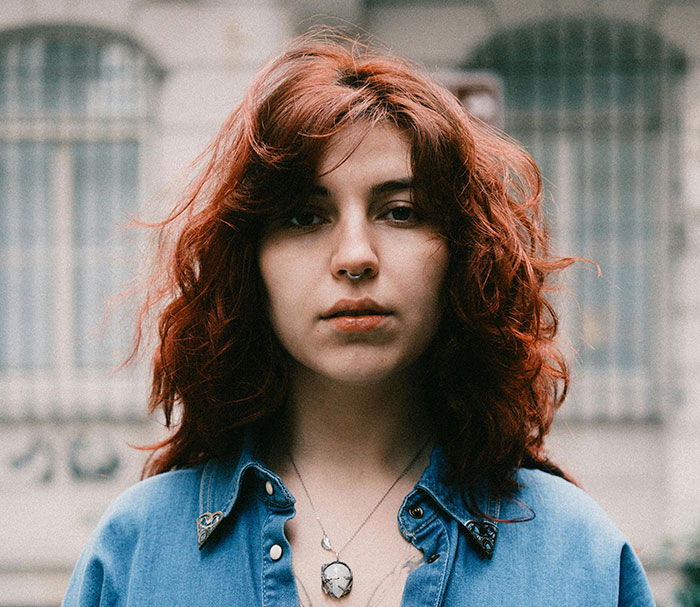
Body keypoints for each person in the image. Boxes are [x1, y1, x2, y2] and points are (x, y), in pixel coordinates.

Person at [63, 31, 655, 606]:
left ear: (461, 252)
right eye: (302, 217)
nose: (354, 256)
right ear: (250, 261)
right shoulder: (137, 552)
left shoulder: (576, 556)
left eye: (399, 212)